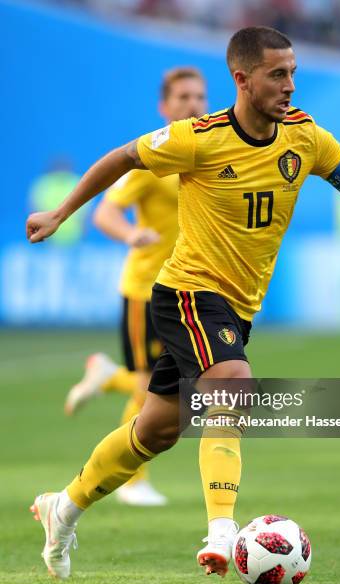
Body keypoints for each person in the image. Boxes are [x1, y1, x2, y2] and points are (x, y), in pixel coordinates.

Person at [26, 26, 340, 581]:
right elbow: (121, 158)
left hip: (237, 308)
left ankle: (61, 508)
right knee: (232, 382)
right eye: (277, 75)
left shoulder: (305, 137)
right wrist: (61, 213)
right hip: (187, 292)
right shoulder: (198, 137)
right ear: (242, 79)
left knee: (156, 430)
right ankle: (223, 532)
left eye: (293, 73)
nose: (289, 86)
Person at [64, 67, 208, 507]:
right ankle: (134, 479)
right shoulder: (153, 157)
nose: (193, 105)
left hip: (189, 288)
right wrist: (131, 236)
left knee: (181, 386)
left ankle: (108, 377)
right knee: (154, 387)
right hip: (147, 288)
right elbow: (105, 213)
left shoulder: (206, 151)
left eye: (200, 97)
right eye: (182, 97)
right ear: (164, 107)